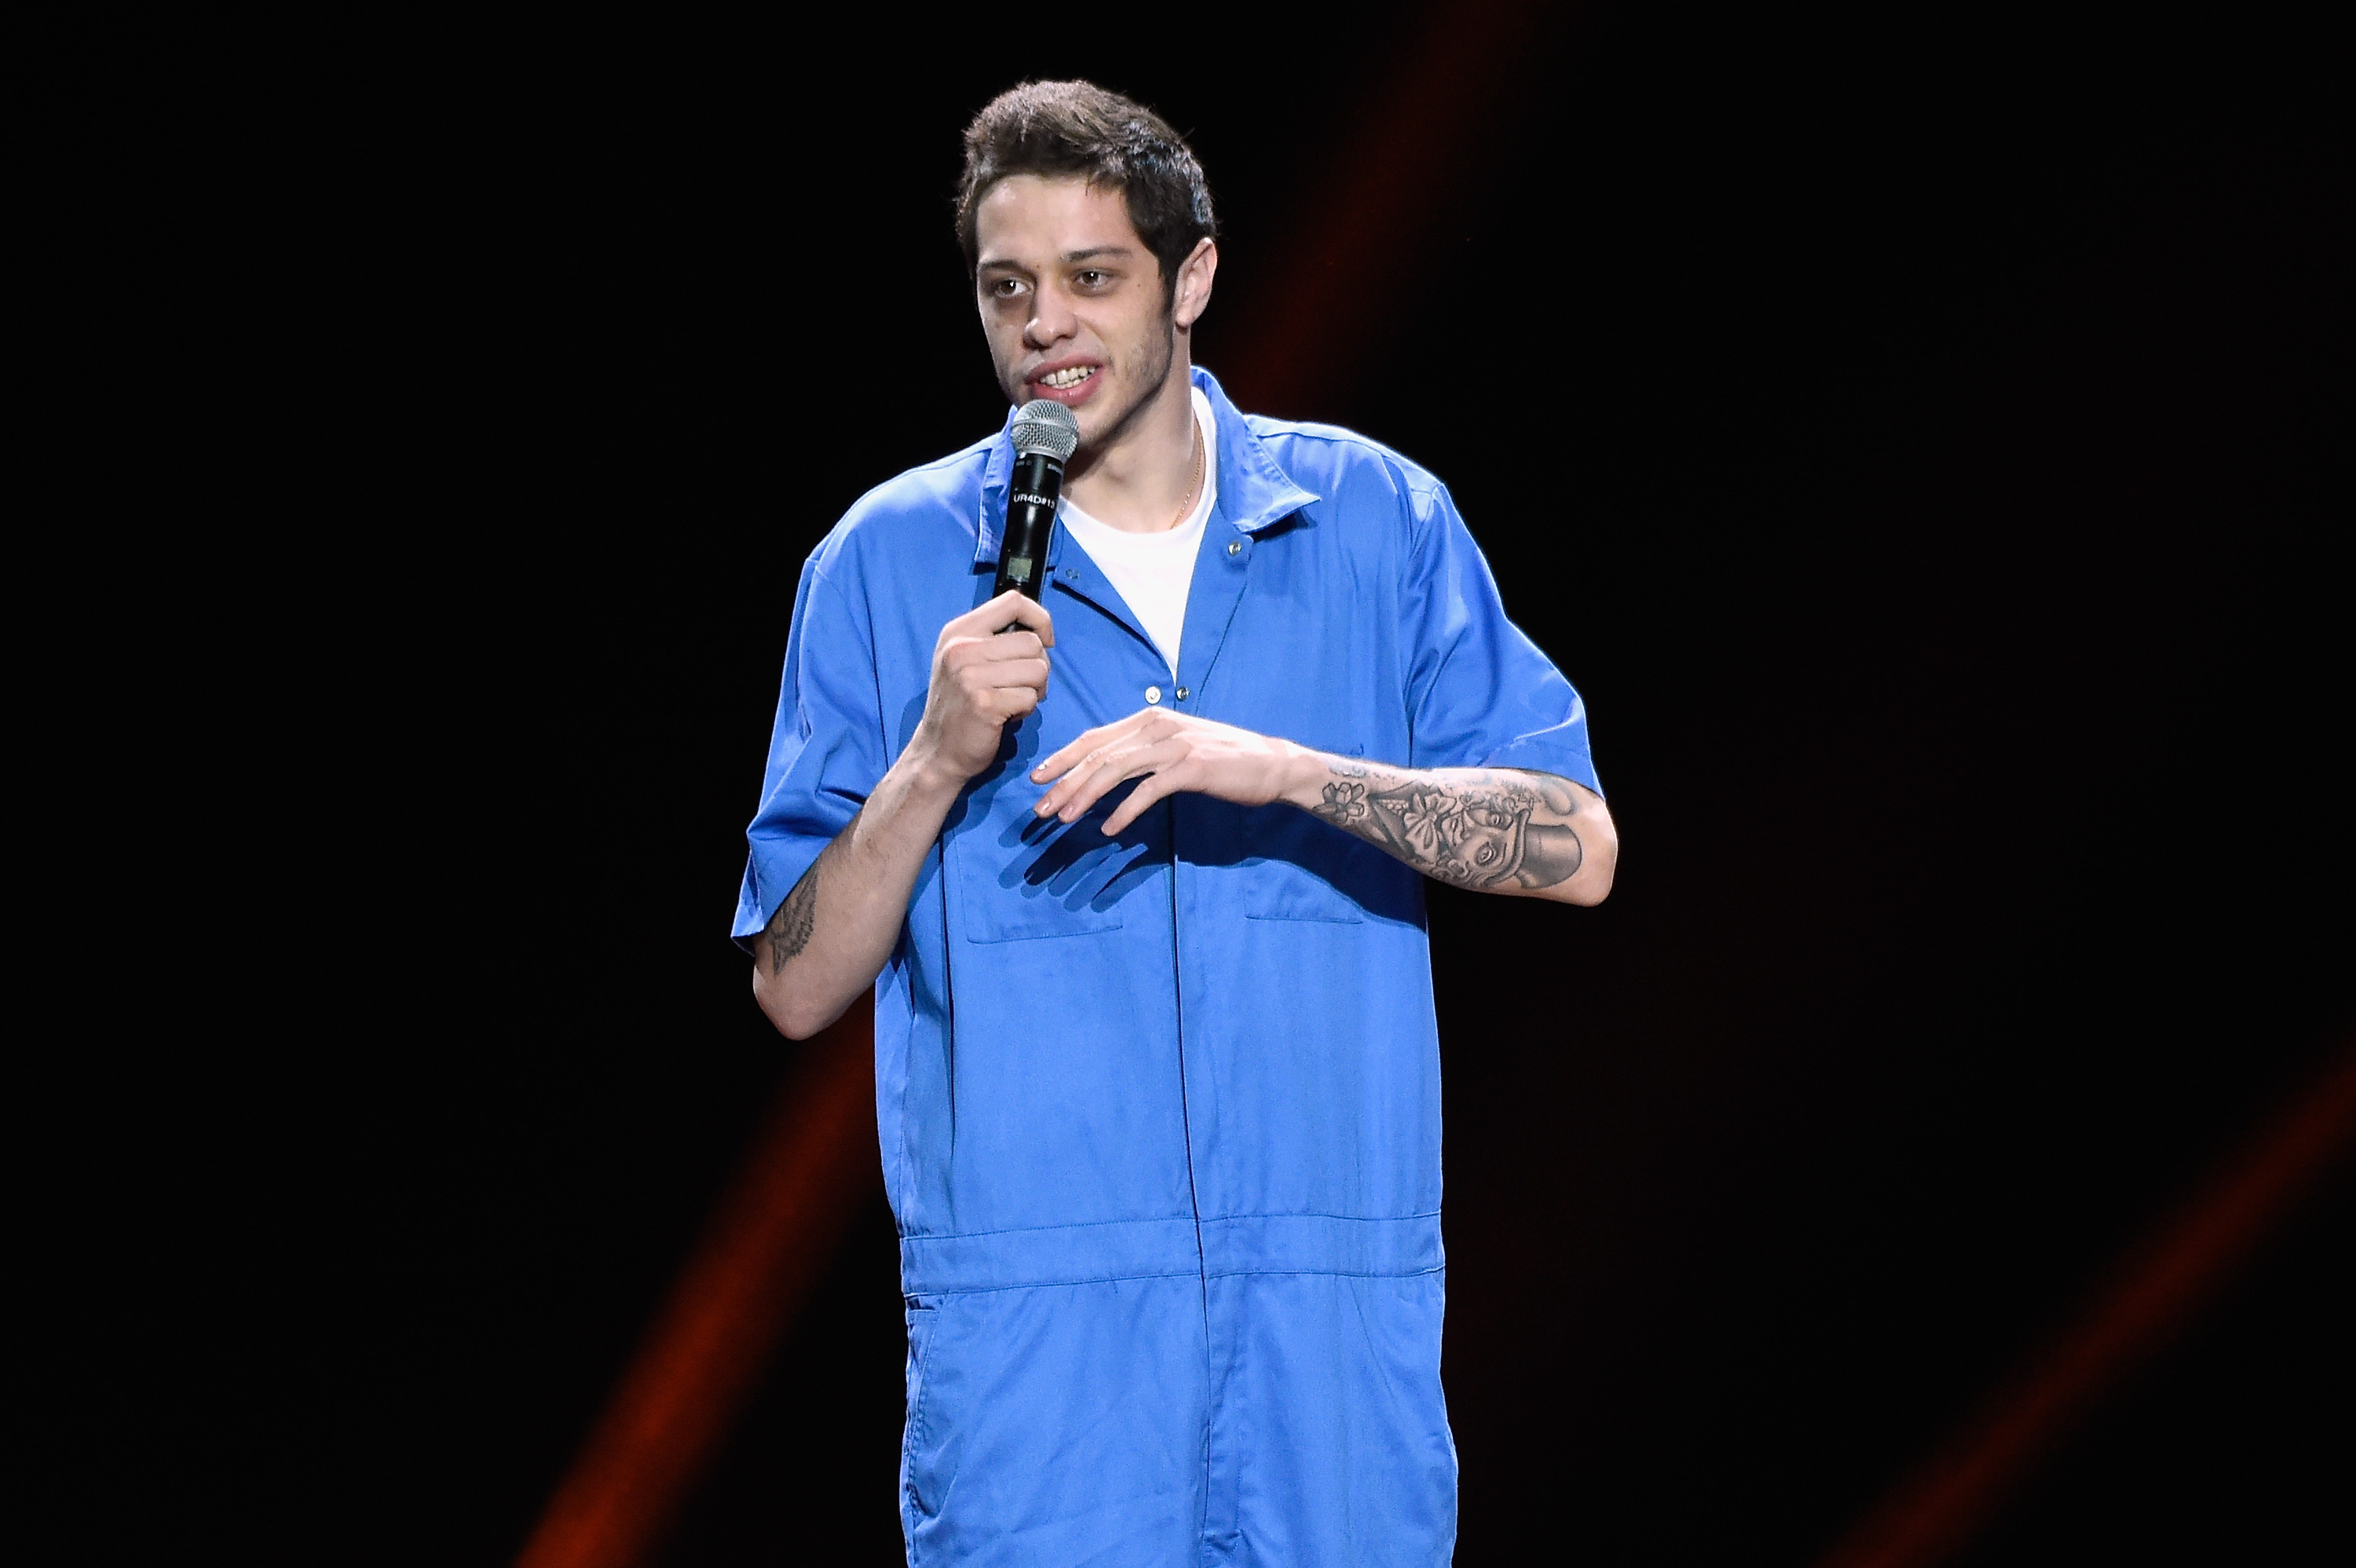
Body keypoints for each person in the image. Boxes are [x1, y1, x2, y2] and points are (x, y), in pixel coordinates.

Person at [735, 79, 1616, 1567]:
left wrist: (1283, 770)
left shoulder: (1376, 522)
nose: (1045, 327)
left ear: (1191, 278)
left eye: (1094, 277)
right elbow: (794, 985)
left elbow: (1575, 845)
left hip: (1328, 1368)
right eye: (1008, 288)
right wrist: (933, 761)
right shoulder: (888, 564)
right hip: (1041, 1395)